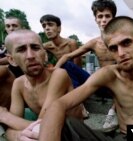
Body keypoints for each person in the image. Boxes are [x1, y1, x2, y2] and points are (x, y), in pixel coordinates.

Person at [1, 29, 87, 141]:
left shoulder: (59, 75)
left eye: (35, 48)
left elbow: (42, 128)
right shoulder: (19, 84)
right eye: (21, 50)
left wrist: (4, 116)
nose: (30, 56)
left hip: (73, 135)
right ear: (11, 60)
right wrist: (17, 135)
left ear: (45, 55)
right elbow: (10, 129)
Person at [55, 0, 118, 132]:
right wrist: (54, 73)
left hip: (118, 83)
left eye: (107, 16)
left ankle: (112, 113)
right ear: (95, 19)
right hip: (100, 83)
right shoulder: (94, 42)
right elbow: (66, 56)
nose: (104, 20)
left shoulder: (121, 40)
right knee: (67, 65)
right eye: (100, 16)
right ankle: (80, 104)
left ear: (113, 19)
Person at [40, 14, 90, 88]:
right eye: (44, 26)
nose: (47, 28)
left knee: (66, 63)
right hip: (63, 75)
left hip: (78, 76)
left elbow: (78, 66)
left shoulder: (71, 43)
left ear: (59, 28)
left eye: (50, 25)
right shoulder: (46, 46)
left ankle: (75, 92)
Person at [0, 16, 25, 140]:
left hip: (22, 92)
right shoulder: (3, 48)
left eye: (14, 25)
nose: (11, 28)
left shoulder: (28, 44)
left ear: (22, 28)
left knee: (3, 71)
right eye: (8, 26)